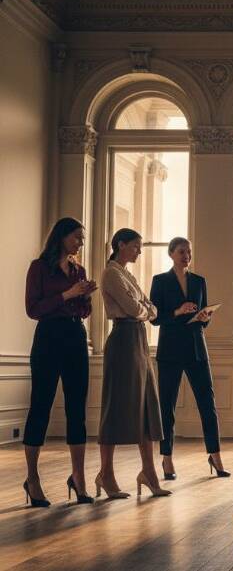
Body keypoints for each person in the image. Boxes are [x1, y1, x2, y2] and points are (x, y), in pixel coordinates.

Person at [23, 217, 97, 507]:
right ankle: (33, 478)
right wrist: (68, 293)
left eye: (82, 238)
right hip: (48, 338)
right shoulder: (39, 267)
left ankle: (78, 477)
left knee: (76, 408)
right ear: (63, 237)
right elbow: (32, 308)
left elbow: (84, 311)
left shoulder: (79, 270)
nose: (81, 242)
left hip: (75, 337)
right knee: (40, 405)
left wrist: (85, 296)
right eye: (78, 237)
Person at [96, 228, 171, 499]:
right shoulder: (111, 273)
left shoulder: (127, 274)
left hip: (138, 340)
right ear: (121, 244)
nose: (140, 251)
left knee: (147, 407)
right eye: (136, 246)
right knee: (115, 407)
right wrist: (145, 309)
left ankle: (149, 473)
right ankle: (105, 474)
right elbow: (135, 309)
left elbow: (152, 309)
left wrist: (145, 309)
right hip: (123, 340)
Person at [150, 237, 228, 481]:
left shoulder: (199, 281)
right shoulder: (160, 281)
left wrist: (205, 317)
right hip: (170, 350)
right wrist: (177, 311)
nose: (187, 256)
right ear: (171, 253)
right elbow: (154, 317)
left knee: (208, 404)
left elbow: (204, 315)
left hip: (196, 348)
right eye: (182, 251)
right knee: (167, 406)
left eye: (189, 252)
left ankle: (215, 456)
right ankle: (166, 458)